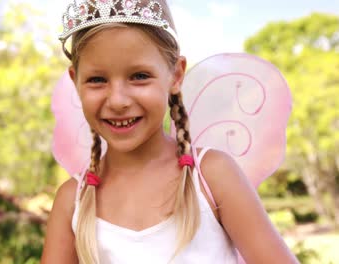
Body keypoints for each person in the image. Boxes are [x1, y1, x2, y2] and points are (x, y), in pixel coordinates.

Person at [41, 0, 299, 263]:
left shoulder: (212, 177)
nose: (118, 100)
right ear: (75, 81)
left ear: (175, 75)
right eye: (97, 80)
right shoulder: (71, 201)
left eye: (139, 76)